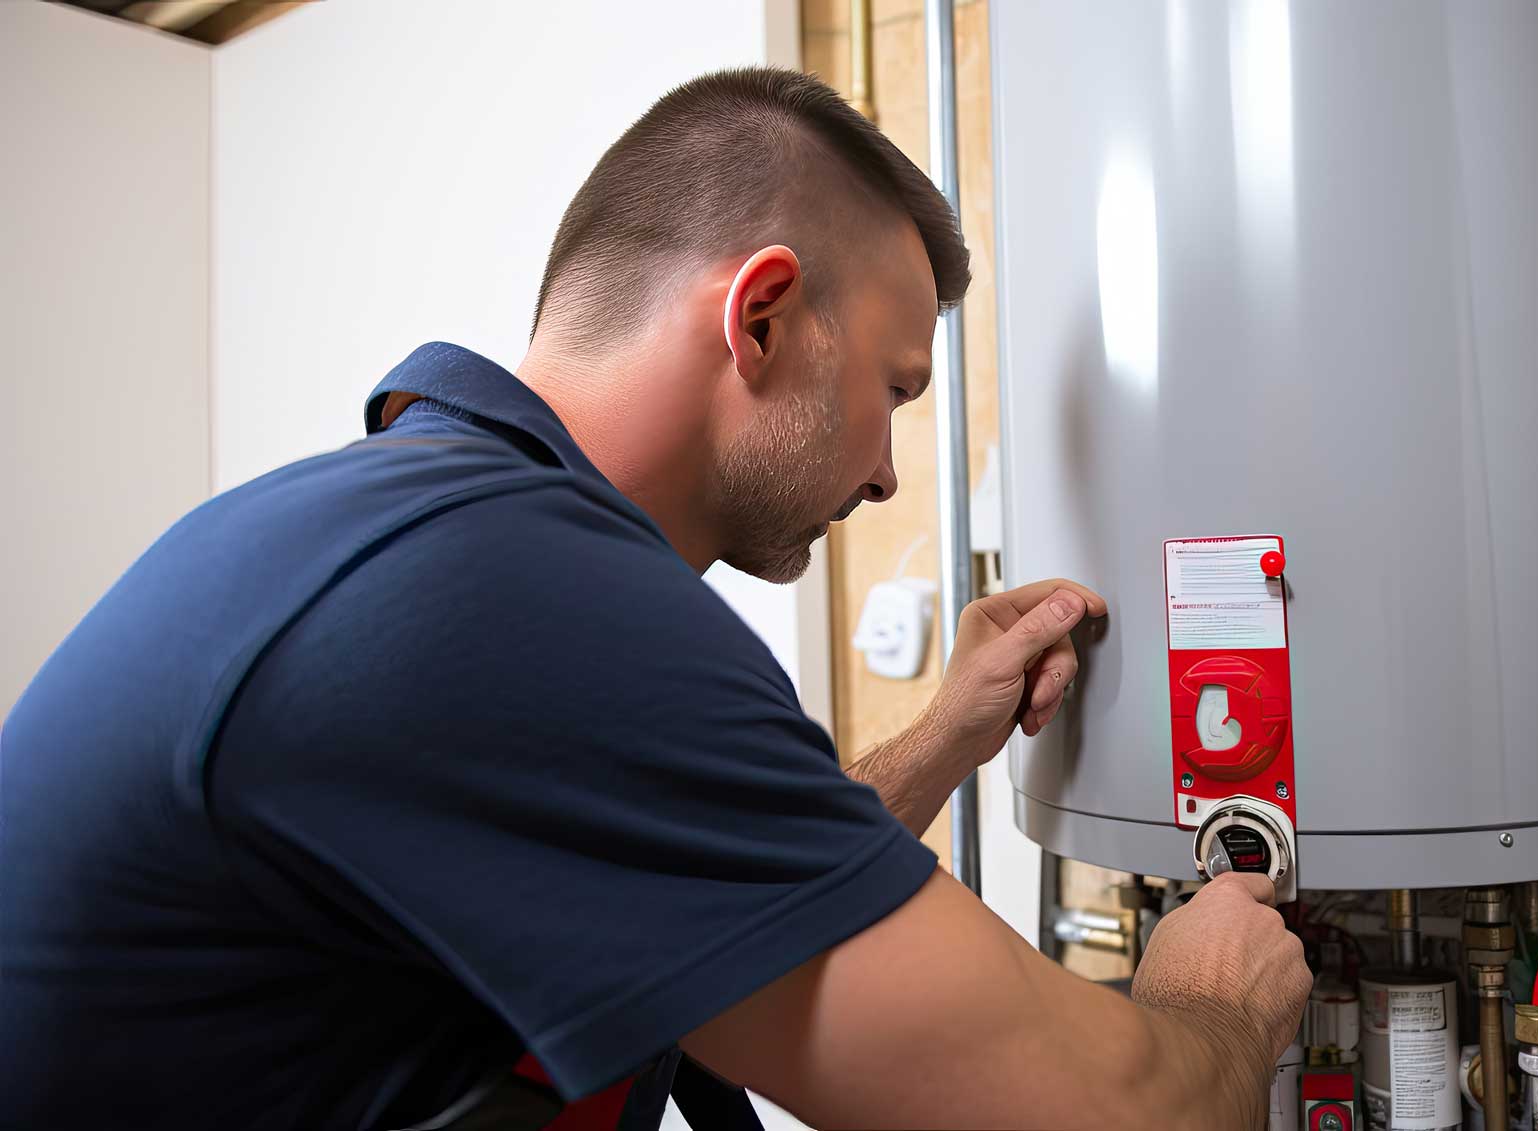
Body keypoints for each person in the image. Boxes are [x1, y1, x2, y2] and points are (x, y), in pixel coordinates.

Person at [0, 67, 1311, 1130]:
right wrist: (1215, 1004)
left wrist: (943, 737)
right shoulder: (517, 596)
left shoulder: (423, 531)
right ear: (763, 317)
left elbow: (715, 888)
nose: (886, 472)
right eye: (894, 391)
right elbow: (1118, 1116)